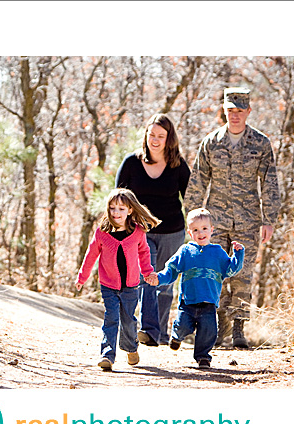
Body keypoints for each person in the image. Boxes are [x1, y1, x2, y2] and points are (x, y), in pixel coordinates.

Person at [184, 87, 281, 348]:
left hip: (249, 220)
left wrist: (269, 219)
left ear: (248, 111)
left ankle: (239, 328)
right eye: (230, 111)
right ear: (224, 111)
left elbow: (270, 182)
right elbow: (197, 182)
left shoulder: (260, 144)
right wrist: (191, 219)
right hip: (215, 221)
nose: (234, 116)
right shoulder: (211, 143)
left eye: (239, 111)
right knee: (215, 272)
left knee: (243, 273)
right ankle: (217, 324)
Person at [115, 113, 191, 347]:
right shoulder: (131, 163)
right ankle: (147, 330)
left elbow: (191, 198)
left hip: (172, 231)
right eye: (152, 135)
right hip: (140, 232)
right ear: (146, 135)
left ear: (169, 139)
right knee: (143, 280)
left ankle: (159, 333)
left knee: (165, 283)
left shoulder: (178, 165)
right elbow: (118, 197)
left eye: (161, 136)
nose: (155, 140)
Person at [145, 208, 244, 368]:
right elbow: (171, 270)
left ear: (211, 230)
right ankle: (177, 336)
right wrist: (159, 278)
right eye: (196, 230)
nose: (201, 233)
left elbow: (230, 269)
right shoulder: (185, 251)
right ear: (190, 233)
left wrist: (238, 255)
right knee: (184, 325)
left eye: (204, 228)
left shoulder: (217, 252)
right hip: (188, 302)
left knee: (209, 331)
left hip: (209, 303)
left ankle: (203, 357)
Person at [75, 188, 161, 371]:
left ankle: (131, 348)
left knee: (129, 320)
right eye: (113, 208)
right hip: (108, 285)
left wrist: (148, 272)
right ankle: (107, 355)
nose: (116, 213)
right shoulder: (102, 232)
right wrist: (82, 276)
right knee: (111, 318)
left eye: (121, 209)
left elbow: (144, 252)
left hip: (131, 285)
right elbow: (91, 255)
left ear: (130, 210)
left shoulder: (137, 232)